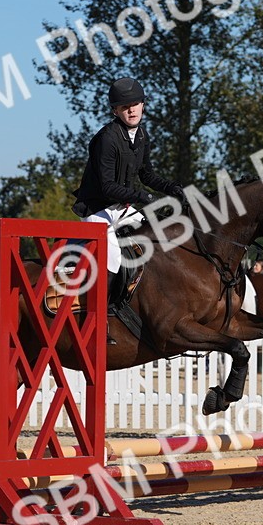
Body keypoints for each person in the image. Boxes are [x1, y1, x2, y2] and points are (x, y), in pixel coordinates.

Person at [70, 77, 185, 340]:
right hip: (98, 211)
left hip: (122, 208)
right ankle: (98, 319)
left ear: (143, 105)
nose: (131, 110)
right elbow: (107, 187)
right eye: (125, 107)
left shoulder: (141, 135)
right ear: (115, 111)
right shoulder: (106, 139)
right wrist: (142, 196)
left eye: (135, 104)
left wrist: (172, 188)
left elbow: (147, 174)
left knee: (158, 240)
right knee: (112, 260)